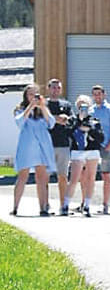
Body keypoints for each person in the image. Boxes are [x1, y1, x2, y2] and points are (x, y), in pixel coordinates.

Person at [11, 83, 56, 216]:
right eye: (30, 94)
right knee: (23, 176)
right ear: (26, 96)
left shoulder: (43, 109)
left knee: (41, 177)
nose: (33, 96)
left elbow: (51, 123)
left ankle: (42, 208)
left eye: (36, 94)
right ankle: (15, 207)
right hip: (27, 146)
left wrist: (42, 107)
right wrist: (30, 106)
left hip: (42, 146)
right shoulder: (20, 109)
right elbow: (19, 122)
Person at [68, 94, 105, 215]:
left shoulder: (94, 121)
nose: (82, 108)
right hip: (77, 152)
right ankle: (66, 204)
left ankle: (87, 204)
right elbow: (69, 132)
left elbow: (100, 137)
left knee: (90, 178)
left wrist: (90, 129)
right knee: (75, 178)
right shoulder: (73, 120)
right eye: (80, 106)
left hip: (91, 152)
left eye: (85, 106)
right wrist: (79, 121)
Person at [90, 84, 110, 214]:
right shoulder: (91, 111)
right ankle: (86, 203)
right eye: (95, 94)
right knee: (89, 175)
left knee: (106, 174)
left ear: (104, 94)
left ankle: (105, 204)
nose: (97, 96)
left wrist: (108, 148)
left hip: (107, 147)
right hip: (92, 148)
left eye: (99, 94)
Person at [45, 78, 74, 214]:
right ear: (48, 88)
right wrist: (57, 119)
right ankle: (44, 205)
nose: (55, 90)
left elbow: (71, 121)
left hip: (63, 145)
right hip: (46, 145)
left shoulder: (66, 105)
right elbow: (42, 120)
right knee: (44, 176)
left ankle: (63, 205)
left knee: (62, 176)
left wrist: (65, 120)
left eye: (58, 88)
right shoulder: (43, 104)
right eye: (53, 87)